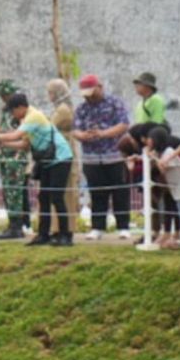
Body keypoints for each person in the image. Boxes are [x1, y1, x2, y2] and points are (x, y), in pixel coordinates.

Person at [0, 92, 74, 246]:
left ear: (21, 107)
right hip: (48, 160)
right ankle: (43, 234)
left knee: (56, 197)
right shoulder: (26, 119)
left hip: (61, 158)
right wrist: (2, 144)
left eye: (13, 111)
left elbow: (15, 135)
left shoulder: (33, 116)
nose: (13, 115)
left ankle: (65, 235)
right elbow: (24, 144)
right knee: (43, 197)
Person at [73, 73, 131, 240]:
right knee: (97, 193)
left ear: (100, 87)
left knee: (120, 191)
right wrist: (83, 136)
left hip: (115, 155)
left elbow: (123, 125)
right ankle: (97, 226)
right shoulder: (82, 108)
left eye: (92, 92)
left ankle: (123, 226)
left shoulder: (114, 103)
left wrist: (103, 133)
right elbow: (75, 129)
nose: (90, 97)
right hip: (91, 157)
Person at [0, 79, 29, 239]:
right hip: (5, 155)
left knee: (15, 191)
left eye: (4, 95)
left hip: (15, 156)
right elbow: (6, 129)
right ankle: (12, 224)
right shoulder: (5, 111)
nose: (2, 98)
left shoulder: (22, 111)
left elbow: (20, 133)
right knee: (8, 192)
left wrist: (1, 137)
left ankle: (17, 226)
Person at [46, 78, 80, 237]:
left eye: (51, 92)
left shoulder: (63, 110)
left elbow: (49, 127)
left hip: (63, 152)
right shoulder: (60, 108)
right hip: (59, 151)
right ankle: (58, 228)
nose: (49, 96)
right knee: (59, 192)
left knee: (64, 192)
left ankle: (65, 228)